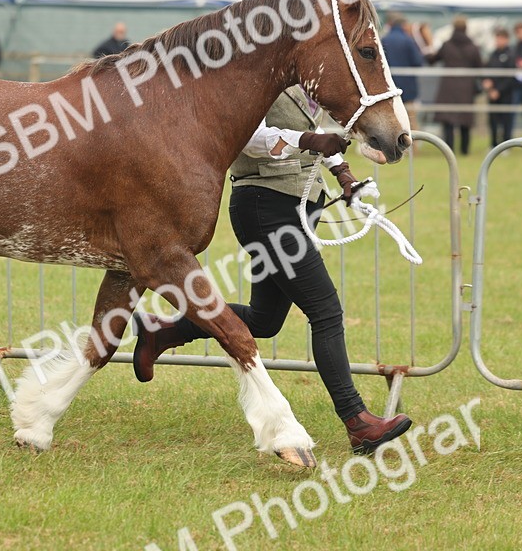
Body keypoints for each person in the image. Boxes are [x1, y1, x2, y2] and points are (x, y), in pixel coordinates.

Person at [131, 86, 413, 455]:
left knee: (264, 321)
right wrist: (313, 139)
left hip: (293, 207)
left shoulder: (302, 80)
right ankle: (357, 421)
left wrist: (342, 173)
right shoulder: (256, 77)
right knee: (325, 311)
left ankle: (163, 332)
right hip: (267, 208)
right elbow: (251, 138)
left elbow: (316, 139)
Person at [426, 16, 482, 155]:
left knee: (448, 121)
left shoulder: (447, 45)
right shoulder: (473, 47)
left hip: (448, 87)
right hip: (466, 88)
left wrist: (427, 48)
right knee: (465, 121)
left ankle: (449, 150)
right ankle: (464, 150)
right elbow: (480, 67)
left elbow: (432, 59)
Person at [380, 14, 424, 132]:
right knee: (410, 117)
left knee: (390, 116)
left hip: (388, 85)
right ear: (403, 25)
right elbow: (418, 61)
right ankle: (413, 145)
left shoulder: (384, 39)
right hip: (408, 86)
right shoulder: (408, 40)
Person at [482, 27, 518, 147]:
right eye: (497, 38)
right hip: (492, 94)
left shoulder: (511, 54)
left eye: (500, 38)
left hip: (506, 93)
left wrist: (498, 90)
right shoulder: (493, 54)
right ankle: (493, 144)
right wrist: (488, 84)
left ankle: (506, 145)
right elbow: (487, 71)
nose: (498, 41)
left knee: (506, 120)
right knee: (492, 121)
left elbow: (511, 76)